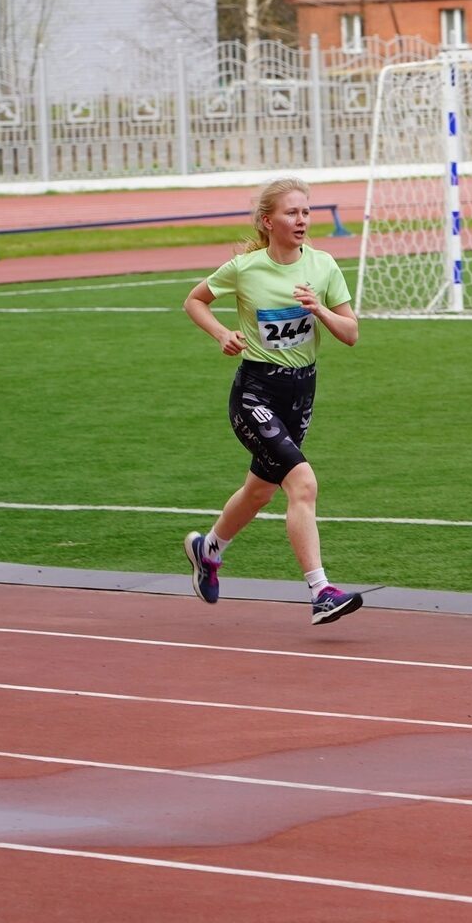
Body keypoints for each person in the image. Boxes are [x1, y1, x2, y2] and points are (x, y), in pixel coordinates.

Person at [180, 177, 364, 625]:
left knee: (260, 490)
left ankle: (209, 550)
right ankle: (321, 591)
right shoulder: (246, 269)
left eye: (306, 212)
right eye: (291, 213)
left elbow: (351, 333)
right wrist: (222, 333)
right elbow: (195, 301)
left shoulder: (323, 266)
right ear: (268, 221)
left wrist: (319, 309)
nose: (301, 220)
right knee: (302, 483)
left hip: (301, 393)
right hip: (255, 391)